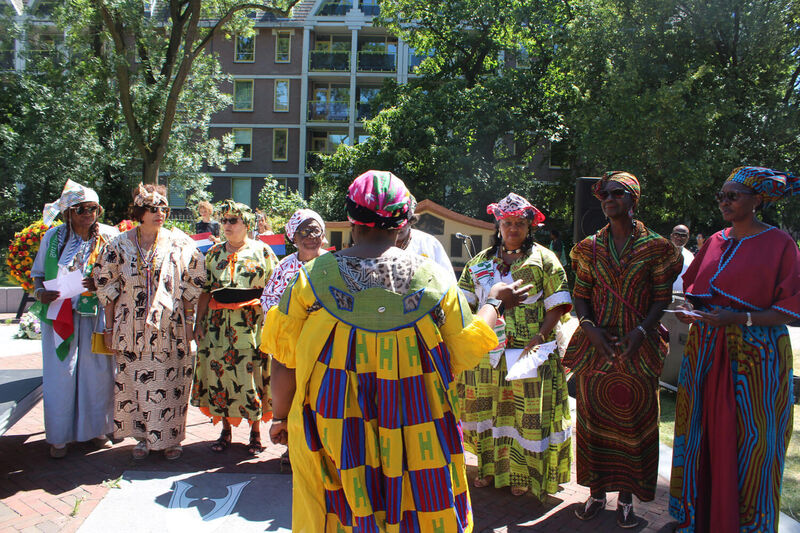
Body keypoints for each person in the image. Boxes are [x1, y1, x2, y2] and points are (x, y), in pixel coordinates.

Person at [261, 170, 531, 532]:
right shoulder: (433, 278)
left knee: (339, 508)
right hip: (418, 425)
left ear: (352, 220)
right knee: (420, 504)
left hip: (335, 425)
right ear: (404, 224)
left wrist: (280, 416)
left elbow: (283, 358)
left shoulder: (312, 277)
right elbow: (464, 346)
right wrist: (495, 304)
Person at [669, 166, 800, 533]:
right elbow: (700, 292)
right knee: (700, 432)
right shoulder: (714, 240)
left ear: (758, 200)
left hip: (756, 359)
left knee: (751, 440)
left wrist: (740, 319)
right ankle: (699, 517)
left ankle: (746, 525)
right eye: (722, 196)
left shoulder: (780, 245)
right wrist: (693, 314)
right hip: (705, 353)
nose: (724, 202)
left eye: (733, 196)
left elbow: (789, 308)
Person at [564, 171, 681, 528]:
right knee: (593, 421)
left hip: (637, 348)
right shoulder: (588, 247)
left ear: (633, 199)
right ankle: (596, 493)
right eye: (603, 195)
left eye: (617, 193)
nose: (607, 199)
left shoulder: (657, 247)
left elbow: (662, 298)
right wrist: (590, 329)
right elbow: (581, 295)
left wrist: (642, 332)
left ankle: (627, 499)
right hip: (596, 347)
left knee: (635, 424)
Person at [458, 192, 573, 498]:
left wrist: (540, 336)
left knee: (524, 416)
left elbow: (557, 304)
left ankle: (521, 475)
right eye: (507, 223)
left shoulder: (544, 259)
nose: (512, 229)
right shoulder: (479, 262)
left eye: (519, 223)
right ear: (498, 224)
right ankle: (485, 468)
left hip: (528, 352)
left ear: (529, 226)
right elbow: (464, 305)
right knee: (488, 412)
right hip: (486, 354)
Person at [93, 184, 205, 461]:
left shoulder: (180, 243)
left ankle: (171, 439)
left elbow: (195, 281)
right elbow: (106, 286)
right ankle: (142, 437)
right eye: (154, 209)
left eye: (164, 209)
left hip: (171, 327)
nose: (160, 214)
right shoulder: (118, 244)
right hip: (130, 328)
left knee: (171, 382)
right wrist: (108, 328)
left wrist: (189, 322)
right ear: (140, 212)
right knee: (134, 384)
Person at [31, 180, 119, 459]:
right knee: (62, 374)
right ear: (68, 212)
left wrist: (100, 285)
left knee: (99, 374)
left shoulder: (110, 236)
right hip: (59, 315)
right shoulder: (54, 237)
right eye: (79, 209)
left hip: (97, 314)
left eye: (92, 208)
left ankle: (98, 431)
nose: (86, 214)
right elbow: (37, 275)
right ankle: (59, 437)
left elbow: (120, 275)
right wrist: (40, 292)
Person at [191, 200, 279, 454]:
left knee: (251, 376)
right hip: (219, 326)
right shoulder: (214, 253)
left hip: (251, 325)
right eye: (224, 220)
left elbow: (273, 290)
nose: (227, 225)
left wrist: (271, 322)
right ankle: (225, 431)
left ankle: (255, 432)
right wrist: (199, 323)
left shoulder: (262, 251)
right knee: (222, 376)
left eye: (233, 221)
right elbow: (206, 291)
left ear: (246, 224)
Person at [260, 208, 328, 313]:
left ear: (322, 235)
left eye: (316, 231)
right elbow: (269, 299)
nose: (311, 236)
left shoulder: (334, 263)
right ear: (294, 238)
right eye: (304, 232)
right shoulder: (284, 267)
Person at [395, 195, 457, 284]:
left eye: (403, 221)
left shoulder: (429, 243)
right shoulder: (374, 243)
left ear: (411, 220)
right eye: (395, 222)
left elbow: (449, 281)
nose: (399, 226)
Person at [670, 225, 695, 295]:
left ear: (688, 238)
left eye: (683, 235)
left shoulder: (690, 256)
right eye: (676, 234)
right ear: (671, 236)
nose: (679, 238)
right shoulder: (661, 252)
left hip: (681, 297)